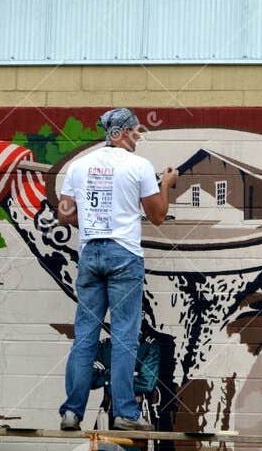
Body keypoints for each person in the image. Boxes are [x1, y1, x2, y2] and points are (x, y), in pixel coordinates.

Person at [57, 108, 178, 433]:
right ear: (123, 132)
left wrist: (94, 216)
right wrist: (165, 183)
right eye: (135, 131)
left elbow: (65, 214)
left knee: (85, 334)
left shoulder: (79, 166)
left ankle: (72, 411)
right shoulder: (139, 166)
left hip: (90, 253)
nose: (137, 137)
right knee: (125, 336)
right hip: (124, 253)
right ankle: (125, 411)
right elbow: (158, 216)